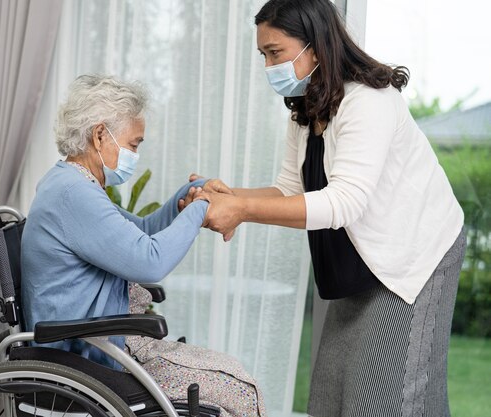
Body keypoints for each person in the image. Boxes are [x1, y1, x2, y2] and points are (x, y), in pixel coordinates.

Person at [191, 0, 466, 416]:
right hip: (361, 260)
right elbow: (289, 188)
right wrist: (231, 197)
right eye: (263, 55)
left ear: (315, 48)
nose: (268, 67)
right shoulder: (306, 107)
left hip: (413, 260)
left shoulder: (369, 100)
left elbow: (344, 202)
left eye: (275, 53)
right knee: (330, 399)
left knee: (385, 403)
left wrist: (242, 209)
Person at [21, 74, 266, 416]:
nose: (136, 153)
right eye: (134, 144)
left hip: (99, 347)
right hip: (87, 358)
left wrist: (189, 195)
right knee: (237, 388)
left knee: (231, 375)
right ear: (100, 134)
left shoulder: (71, 183)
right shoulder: (72, 193)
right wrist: (202, 208)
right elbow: (150, 260)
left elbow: (143, 230)